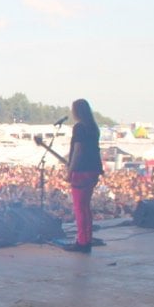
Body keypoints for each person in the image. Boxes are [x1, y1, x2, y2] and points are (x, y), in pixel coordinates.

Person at [62, 98, 103, 253]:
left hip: (81, 170)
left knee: (80, 208)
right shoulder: (93, 127)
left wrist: (70, 171)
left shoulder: (79, 127)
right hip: (93, 169)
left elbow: (78, 150)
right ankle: (87, 239)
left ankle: (82, 241)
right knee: (86, 208)